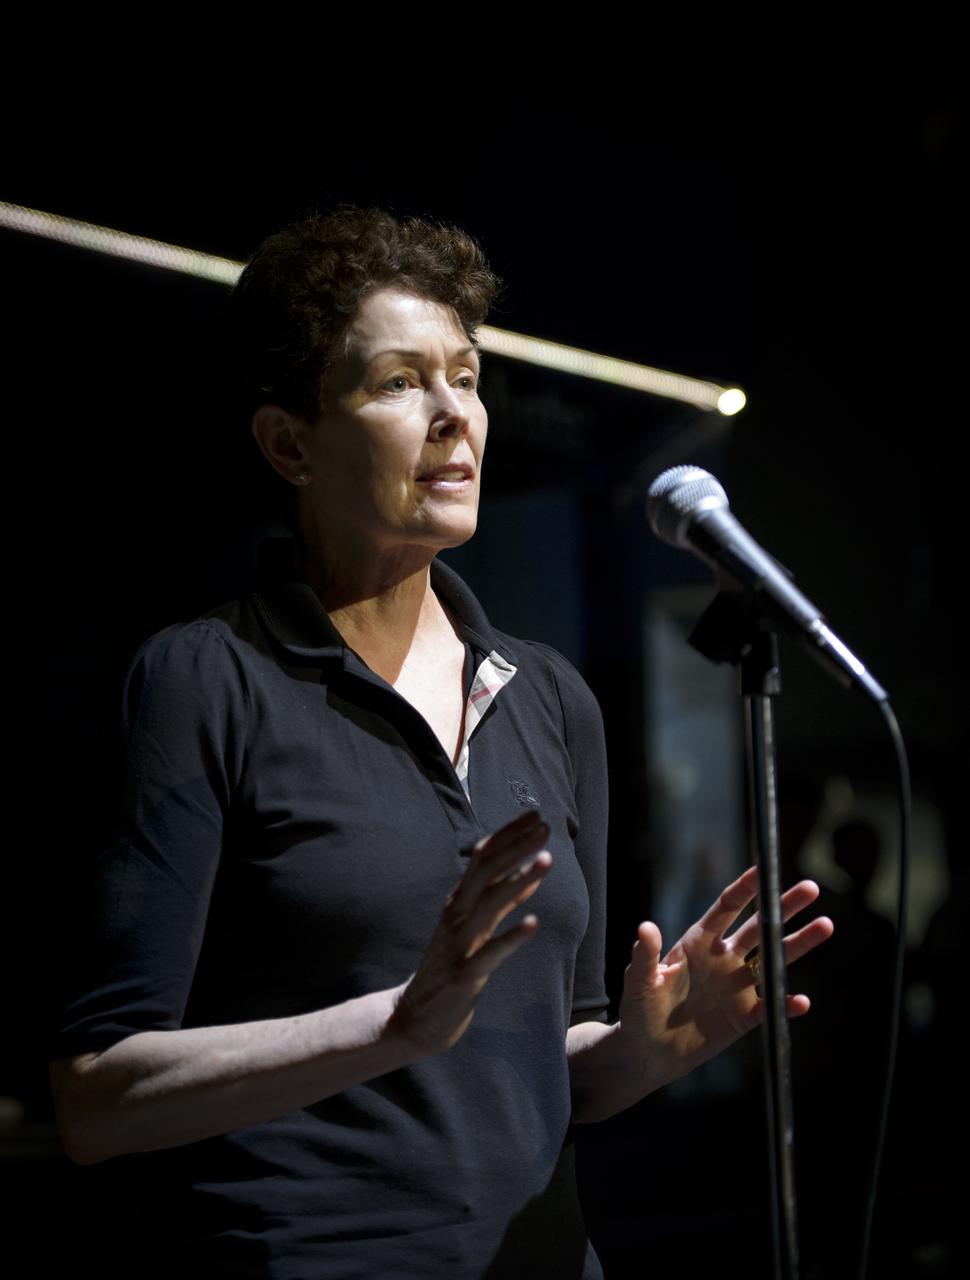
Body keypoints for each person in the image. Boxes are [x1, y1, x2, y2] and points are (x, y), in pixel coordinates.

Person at [49, 207, 833, 1279]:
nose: (453, 415)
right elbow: (97, 1099)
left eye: (463, 376)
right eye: (398, 382)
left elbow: (554, 1063)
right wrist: (396, 1023)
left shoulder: (550, 696)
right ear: (288, 441)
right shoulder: (204, 679)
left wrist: (642, 1052)